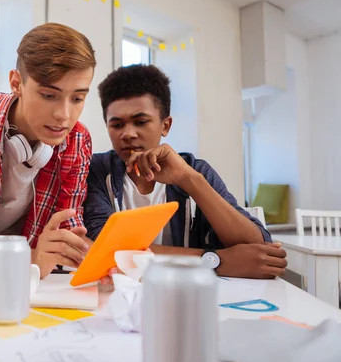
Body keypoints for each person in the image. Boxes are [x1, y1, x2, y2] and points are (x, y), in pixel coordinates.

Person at [84, 64, 287, 279]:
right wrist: (214, 261)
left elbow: (260, 250)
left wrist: (188, 179)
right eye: (117, 125)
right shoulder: (96, 170)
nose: (128, 134)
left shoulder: (195, 170)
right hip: (120, 297)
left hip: (189, 294)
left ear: (165, 125)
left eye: (141, 122)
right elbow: (105, 249)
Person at [0, 23, 96, 278]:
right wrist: (33, 259)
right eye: (49, 95)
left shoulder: (78, 139)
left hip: (27, 275)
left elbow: (68, 227)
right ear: (16, 82)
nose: (64, 115)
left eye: (77, 98)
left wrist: (95, 259)